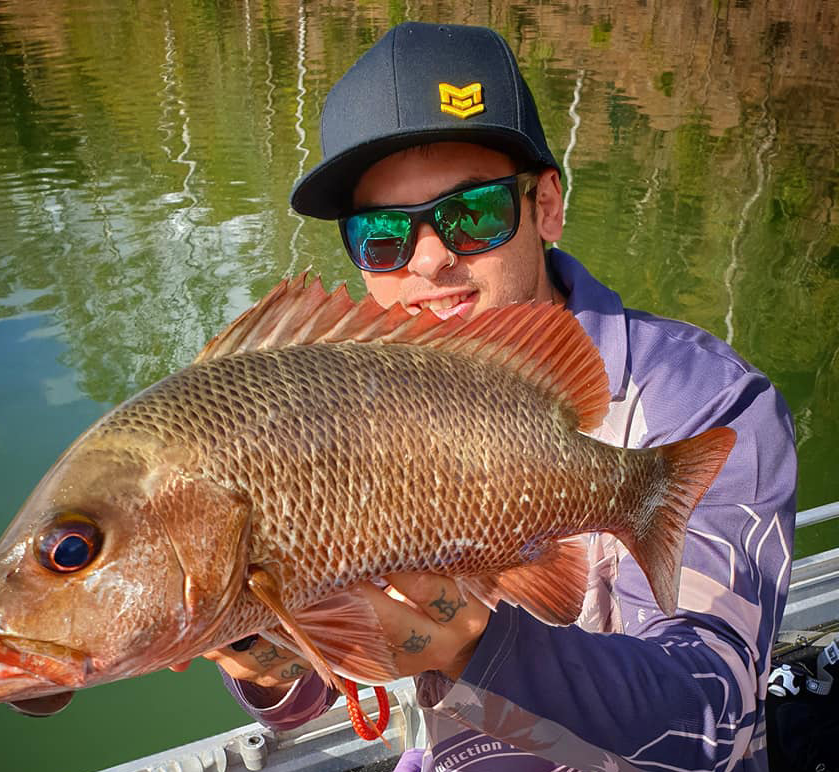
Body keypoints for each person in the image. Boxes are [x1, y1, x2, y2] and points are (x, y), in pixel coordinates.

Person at [203, 21, 797, 772]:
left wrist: (470, 642)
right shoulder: (342, 418)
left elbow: (710, 720)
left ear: (545, 206)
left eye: (472, 214)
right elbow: (314, 695)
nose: (428, 258)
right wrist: (264, 653)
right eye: (383, 234)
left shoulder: (703, 404)